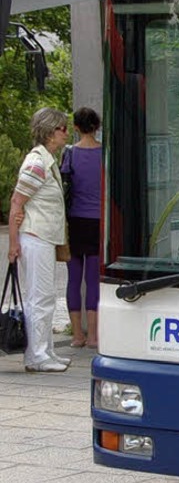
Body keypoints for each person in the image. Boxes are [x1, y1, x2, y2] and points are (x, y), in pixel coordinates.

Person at [8, 107, 71, 373]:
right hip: (36, 237)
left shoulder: (47, 160)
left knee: (45, 295)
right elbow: (16, 202)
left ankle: (46, 351)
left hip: (43, 237)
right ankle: (36, 355)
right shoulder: (37, 163)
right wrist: (13, 244)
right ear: (50, 132)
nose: (66, 133)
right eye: (62, 128)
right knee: (39, 297)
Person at [60, 107, 102, 348]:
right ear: (96, 126)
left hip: (74, 221)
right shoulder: (104, 154)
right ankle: (94, 337)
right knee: (93, 280)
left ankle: (77, 335)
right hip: (97, 222)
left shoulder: (70, 155)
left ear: (75, 127)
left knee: (73, 279)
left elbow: (64, 185)